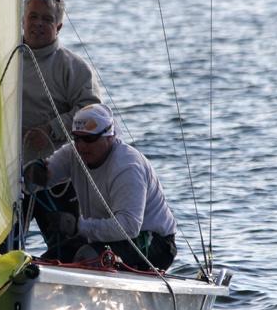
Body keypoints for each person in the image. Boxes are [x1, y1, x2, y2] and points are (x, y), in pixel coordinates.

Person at [25, 104, 177, 270]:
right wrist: (33, 172)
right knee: (46, 262)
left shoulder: (127, 166)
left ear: (109, 137)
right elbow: (46, 175)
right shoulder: (73, 154)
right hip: (105, 237)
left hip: (154, 241)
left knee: (87, 256)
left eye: (89, 139)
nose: (82, 146)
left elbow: (129, 227)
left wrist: (77, 226)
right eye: (77, 138)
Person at [19, 0, 101, 251]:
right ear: (22, 20)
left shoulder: (73, 68)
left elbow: (91, 114)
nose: (39, 24)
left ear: (59, 26)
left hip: (56, 177)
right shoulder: (3, 59)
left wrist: (51, 130)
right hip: (8, 175)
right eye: (33, 17)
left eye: (46, 19)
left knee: (71, 247)